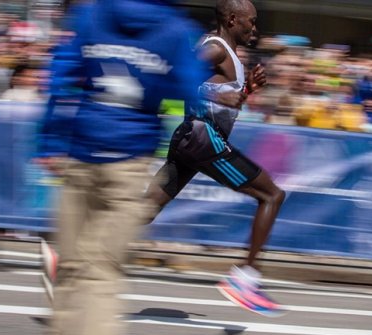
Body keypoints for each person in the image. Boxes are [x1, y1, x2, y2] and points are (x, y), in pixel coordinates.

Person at [36, 1, 207, 334]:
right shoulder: (177, 29)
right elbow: (192, 93)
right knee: (101, 269)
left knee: (71, 265)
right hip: (129, 159)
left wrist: (50, 142)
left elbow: (59, 77)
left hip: (80, 152)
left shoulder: (92, 12)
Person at [145, 0, 287, 316]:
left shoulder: (227, 54)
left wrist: (247, 89)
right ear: (233, 19)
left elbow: (224, 102)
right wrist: (216, 94)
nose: (255, 28)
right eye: (252, 21)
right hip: (201, 139)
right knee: (272, 195)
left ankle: (77, 255)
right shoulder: (216, 48)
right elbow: (175, 77)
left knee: (146, 209)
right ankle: (245, 279)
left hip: (190, 140)